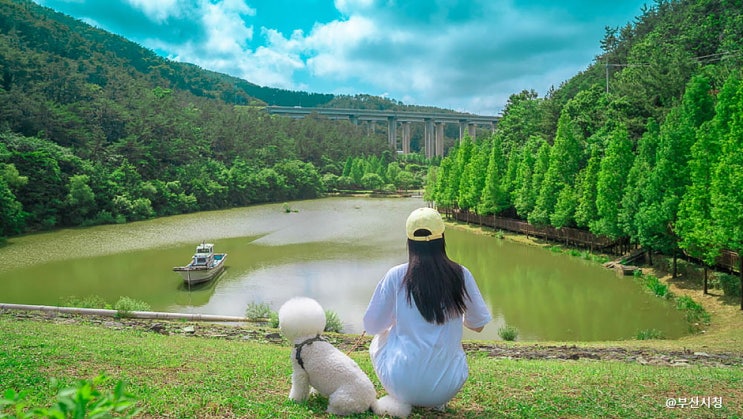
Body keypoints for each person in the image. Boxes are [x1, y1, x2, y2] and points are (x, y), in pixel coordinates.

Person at [363, 207, 492, 416]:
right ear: (442, 238)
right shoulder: (461, 274)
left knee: (380, 338)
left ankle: (402, 395)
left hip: (401, 385)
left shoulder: (396, 275)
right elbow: (478, 325)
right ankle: (435, 401)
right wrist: (458, 316)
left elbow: (372, 326)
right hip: (446, 388)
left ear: (409, 241)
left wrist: (397, 318)